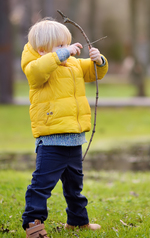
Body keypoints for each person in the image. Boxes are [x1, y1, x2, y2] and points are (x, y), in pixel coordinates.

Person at [21, 18, 108, 238]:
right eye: (60, 46)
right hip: (51, 140)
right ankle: (33, 225)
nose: (67, 50)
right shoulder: (36, 67)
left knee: (74, 186)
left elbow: (93, 72)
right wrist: (62, 54)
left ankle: (78, 221)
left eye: (66, 45)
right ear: (42, 50)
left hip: (74, 138)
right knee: (41, 185)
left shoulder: (73, 65)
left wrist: (99, 61)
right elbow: (38, 71)